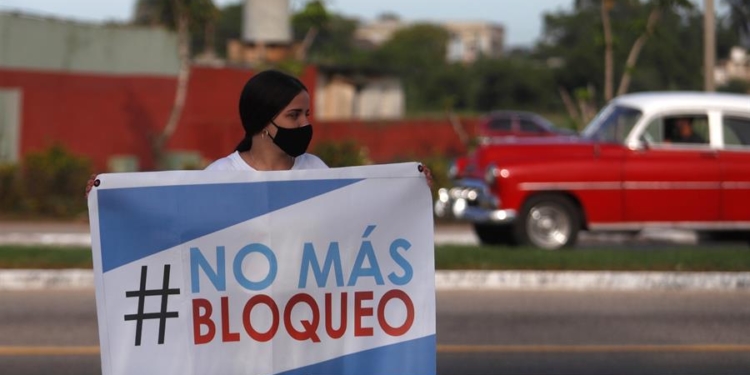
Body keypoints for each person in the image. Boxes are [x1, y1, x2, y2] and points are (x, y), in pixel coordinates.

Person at [85, 69, 431, 195]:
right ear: (263, 122)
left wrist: (412, 192)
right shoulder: (220, 177)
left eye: (307, 114)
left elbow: (357, 223)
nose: (304, 124)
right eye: (294, 115)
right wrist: (111, 199)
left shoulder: (316, 171)